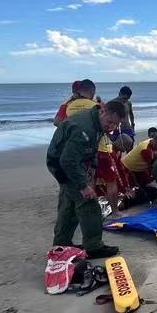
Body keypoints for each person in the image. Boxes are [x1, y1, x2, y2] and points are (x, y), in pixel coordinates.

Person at [46, 100, 126, 258]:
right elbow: (67, 161)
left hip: (70, 161)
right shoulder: (84, 128)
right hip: (62, 164)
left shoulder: (96, 120)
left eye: (115, 125)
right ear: (102, 111)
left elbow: (92, 147)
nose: (111, 128)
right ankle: (94, 247)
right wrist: (83, 186)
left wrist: (93, 166)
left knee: (68, 204)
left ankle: (62, 244)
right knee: (89, 204)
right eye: (109, 122)